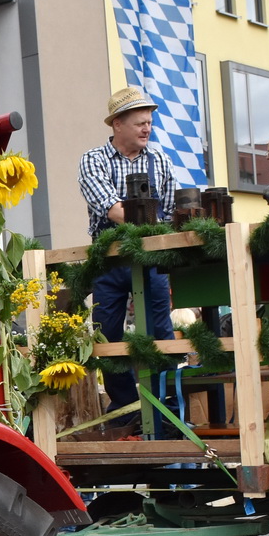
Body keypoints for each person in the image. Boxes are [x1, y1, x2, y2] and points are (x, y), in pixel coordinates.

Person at [79, 85, 178, 418]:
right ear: (117, 124)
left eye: (149, 122)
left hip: (152, 256)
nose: (147, 129)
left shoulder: (160, 160)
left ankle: (169, 405)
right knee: (108, 333)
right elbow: (111, 208)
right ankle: (126, 409)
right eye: (140, 123)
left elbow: (173, 207)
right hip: (109, 257)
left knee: (161, 330)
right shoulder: (93, 160)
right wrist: (151, 221)